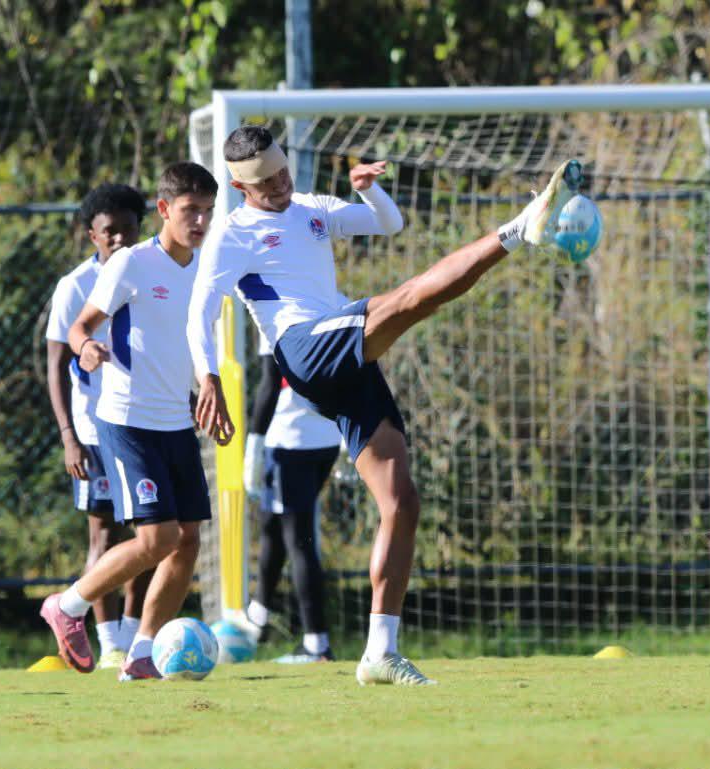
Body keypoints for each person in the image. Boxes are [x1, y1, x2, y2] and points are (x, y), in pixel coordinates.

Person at [187, 125, 576, 685]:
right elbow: (200, 311)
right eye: (265, 182)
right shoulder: (233, 234)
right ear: (237, 184)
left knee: (401, 501)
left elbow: (387, 223)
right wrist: (209, 378)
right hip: (303, 346)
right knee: (410, 299)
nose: (278, 185)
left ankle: (379, 652)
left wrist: (369, 190)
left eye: (281, 172)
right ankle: (520, 228)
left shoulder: (312, 207)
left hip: (342, 359)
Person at [40, 162, 219, 680]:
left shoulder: (206, 269)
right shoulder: (131, 264)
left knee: (187, 541)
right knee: (157, 539)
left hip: (176, 423)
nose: (201, 220)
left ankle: (141, 655)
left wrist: (211, 389)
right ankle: (68, 605)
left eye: (208, 210)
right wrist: (87, 348)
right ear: (165, 210)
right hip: (126, 421)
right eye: (191, 210)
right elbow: (78, 328)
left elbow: (195, 342)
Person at [44, 183, 152, 669]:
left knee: (152, 531)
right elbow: (54, 365)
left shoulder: (152, 273)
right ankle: (107, 643)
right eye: (110, 233)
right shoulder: (75, 286)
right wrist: (68, 435)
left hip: (145, 421)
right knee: (105, 536)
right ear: (92, 235)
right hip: (93, 431)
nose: (120, 241)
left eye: (128, 230)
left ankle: (132, 637)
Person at [243, 327, 343, 664]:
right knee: (273, 523)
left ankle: (317, 644)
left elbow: (270, 384)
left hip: (291, 442)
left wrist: (253, 445)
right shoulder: (331, 303)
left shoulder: (270, 315)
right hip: (326, 439)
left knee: (298, 538)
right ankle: (256, 618)